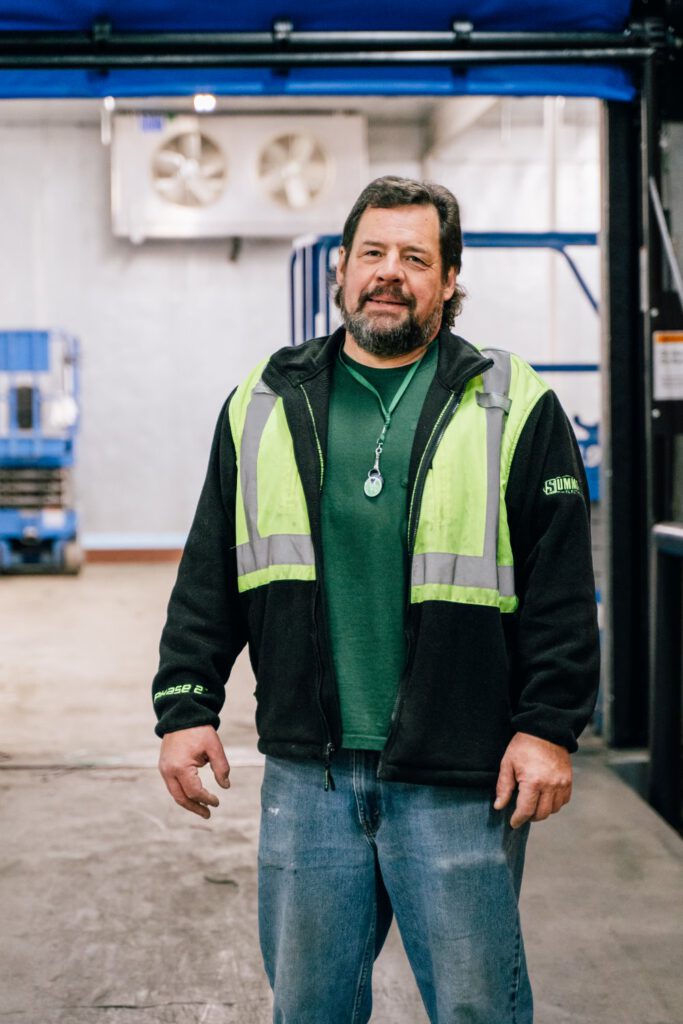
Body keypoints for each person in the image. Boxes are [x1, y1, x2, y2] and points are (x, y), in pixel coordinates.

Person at [153, 175, 600, 1023]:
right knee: (310, 1007)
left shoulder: (511, 400)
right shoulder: (264, 401)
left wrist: (546, 727)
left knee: (478, 1007)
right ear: (341, 271)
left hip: (459, 774)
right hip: (308, 769)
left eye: (414, 258)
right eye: (372, 254)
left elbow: (560, 590)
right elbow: (210, 567)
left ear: (450, 280)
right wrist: (184, 703)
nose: (388, 273)